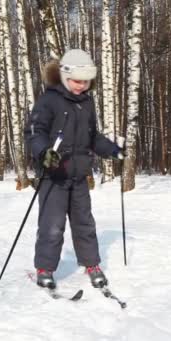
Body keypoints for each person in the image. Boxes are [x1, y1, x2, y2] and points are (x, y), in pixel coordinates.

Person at [24, 49, 125, 289]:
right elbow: (34, 132)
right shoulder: (49, 100)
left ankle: (91, 264)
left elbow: (92, 137)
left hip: (79, 177)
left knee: (84, 223)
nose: (81, 86)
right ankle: (45, 269)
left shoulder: (86, 103)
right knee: (52, 225)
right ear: (64, 76)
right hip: (53, 176)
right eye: (76, 81)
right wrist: (43, 152)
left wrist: (111, 149)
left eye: (86, 81)